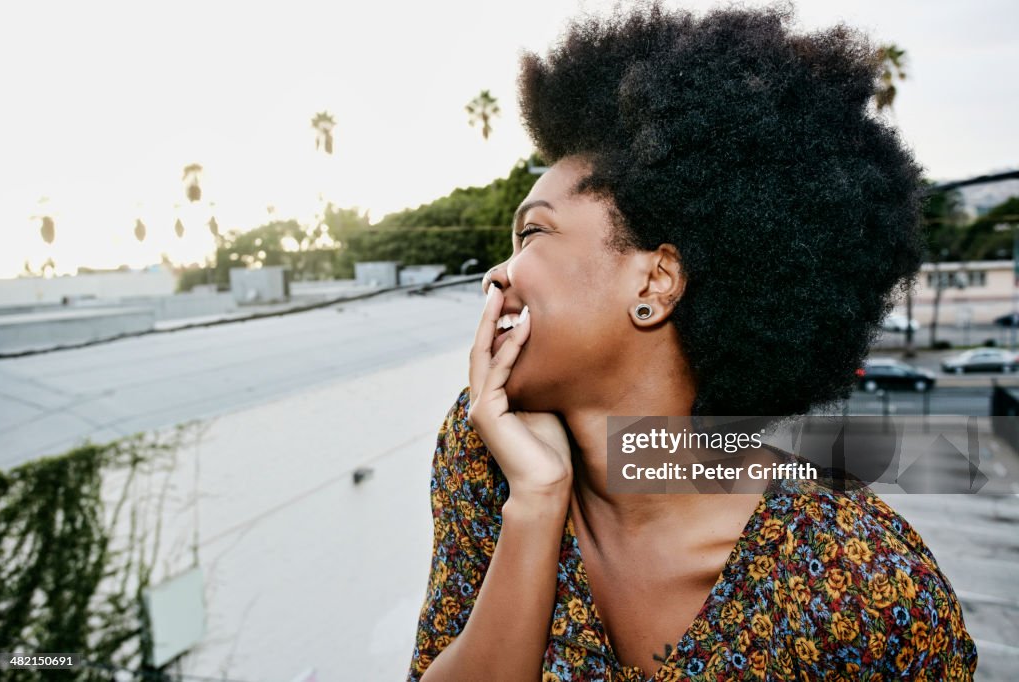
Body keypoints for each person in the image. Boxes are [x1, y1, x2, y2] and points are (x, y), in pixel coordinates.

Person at [408, 2, 978, 680]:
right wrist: (535, 504)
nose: (496, 276)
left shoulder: (863, 584)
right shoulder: (486, 454)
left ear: (656, 280)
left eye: (532, 234)